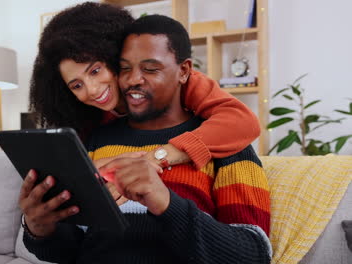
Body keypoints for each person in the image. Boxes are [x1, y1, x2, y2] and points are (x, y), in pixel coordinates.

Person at [19, 14, 271, 263]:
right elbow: (68, 249)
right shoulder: (94, 134)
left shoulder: (224, 137)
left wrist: (165, 199)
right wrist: (39, 226)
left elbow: (253, 255)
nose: (93, 89)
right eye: (76, 85)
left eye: (150, 68)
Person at [29, 2, 261, 171]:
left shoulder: (178, 83)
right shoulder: (86, 118)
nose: (91, 89)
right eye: (76, 85)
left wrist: (163, 154)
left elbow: (243, 121)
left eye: (95, 70)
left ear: (113, 55)